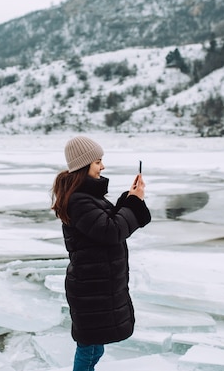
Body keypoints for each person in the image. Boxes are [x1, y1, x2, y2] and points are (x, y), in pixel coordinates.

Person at [51, 136, 151, 371]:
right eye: (98, 161)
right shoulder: (79, 201)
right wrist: (133, 203)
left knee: (95, 346)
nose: (102, 166)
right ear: (84, 166)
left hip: (98, 286)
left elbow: (105, 223)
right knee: (88, 347)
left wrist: (130, 199)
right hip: (91, 288)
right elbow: (110, 231)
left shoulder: (87, 198)